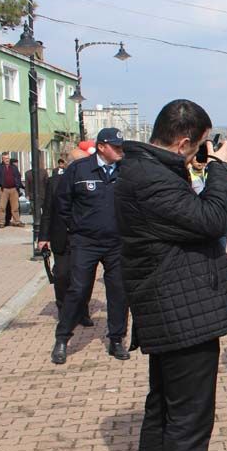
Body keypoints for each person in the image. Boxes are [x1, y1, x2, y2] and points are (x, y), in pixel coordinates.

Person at [116, 99, 227, 451]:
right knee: (189, 419)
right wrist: (222, 172)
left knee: (164, 412)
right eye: (201, 146)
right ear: (185, 140)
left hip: (172, 309)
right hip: (179, 313)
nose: (203, 154)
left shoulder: (143, 171)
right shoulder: (151, 177)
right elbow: (210, 221)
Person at [50, 127, 130, 365]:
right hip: (86, 241)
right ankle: (62, 338)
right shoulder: (79, 169)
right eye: (115, 147)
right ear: (102, 147)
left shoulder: (126, 171)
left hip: (117, 242)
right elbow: (62, 203)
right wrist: (75, 229)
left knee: (118, 291)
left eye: (121, 147)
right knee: (78, 289)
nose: (119, 151)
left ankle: (117, 339)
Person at [39, 152, 94, 324]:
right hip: (61, 236)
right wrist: (43, 237)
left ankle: (82, 311)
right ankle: (64, 310)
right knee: (62, 275)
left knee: (83, 276)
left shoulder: (90, 181)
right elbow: (47, 211)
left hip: (84, 237)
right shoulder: (54, 182)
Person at [0, 153, 24, 228]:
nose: (7, 160)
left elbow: (18, 176)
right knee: (2, 207)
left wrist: (18, 185)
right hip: (4, 189)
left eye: (8, 158)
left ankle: (16, 221)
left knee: (15, 207)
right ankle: (1, 222)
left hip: (13, 189)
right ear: (2, 159)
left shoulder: (13, 167)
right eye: (6, 158)